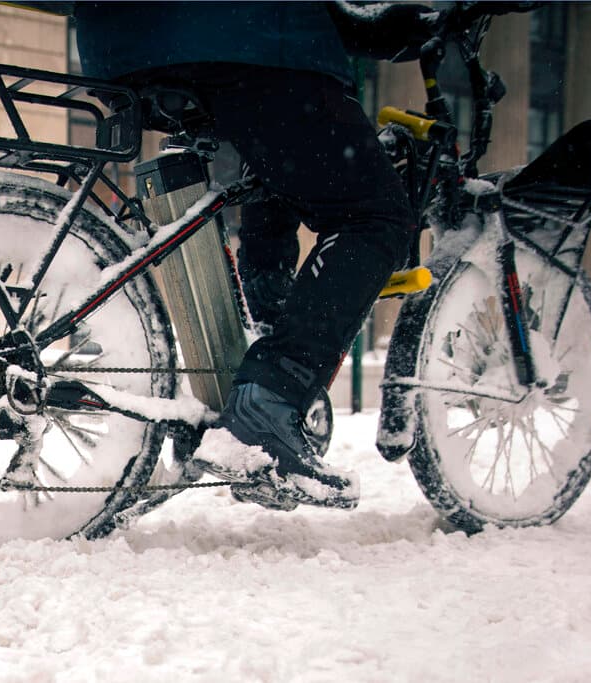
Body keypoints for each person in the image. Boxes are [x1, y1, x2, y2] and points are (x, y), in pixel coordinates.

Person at [72, 1, 440, 510]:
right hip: (246, 37)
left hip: (122, 47)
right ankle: (269, 400)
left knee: (277, 174)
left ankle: (254, 360)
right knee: (374, 215)